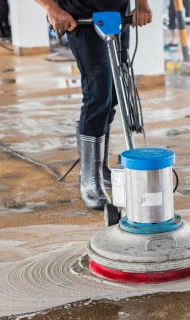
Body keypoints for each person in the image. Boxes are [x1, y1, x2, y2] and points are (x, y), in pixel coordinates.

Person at [35, 0, 153, 210]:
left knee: (115, 93)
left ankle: (101, 167)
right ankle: (90, 179)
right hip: (82, 18)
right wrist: (52, 9)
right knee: (98, 95)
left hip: (117, 16)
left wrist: (142, 5)